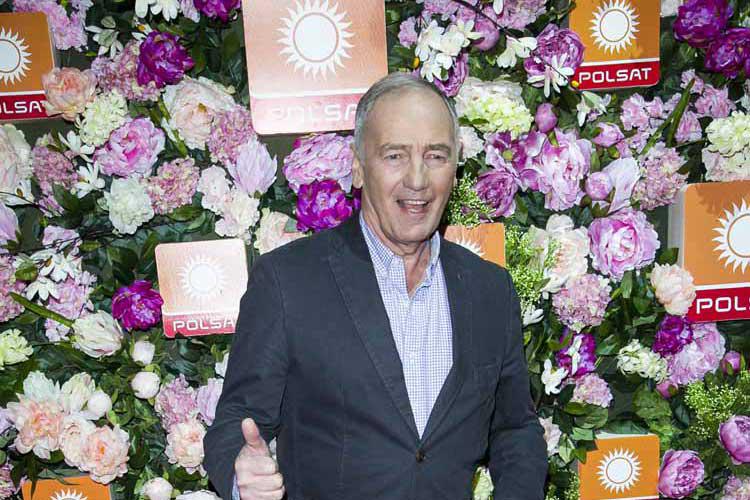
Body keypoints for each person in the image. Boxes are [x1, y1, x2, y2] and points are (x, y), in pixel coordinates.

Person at [203, 73, 548, 500]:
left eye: (436, 156)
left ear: (456, 168)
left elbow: (515, 428)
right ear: (357, 166)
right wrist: (241, 475)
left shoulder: (490, 289)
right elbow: (236, 420)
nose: (417, 179)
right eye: (395, 156)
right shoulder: (287, 281)